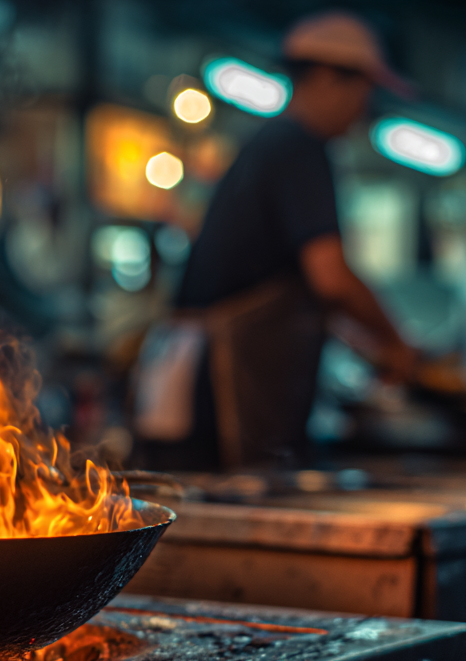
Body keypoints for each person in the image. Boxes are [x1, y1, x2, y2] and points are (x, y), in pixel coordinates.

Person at [133, 11, 416, 470]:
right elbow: (331, 278)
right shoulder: (299, 147)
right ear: (325, 78)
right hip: (222, 385)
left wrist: (365, 342)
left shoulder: (269, 144)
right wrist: (396, 342)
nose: (366, 108)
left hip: (195, 371)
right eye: (364, 91)